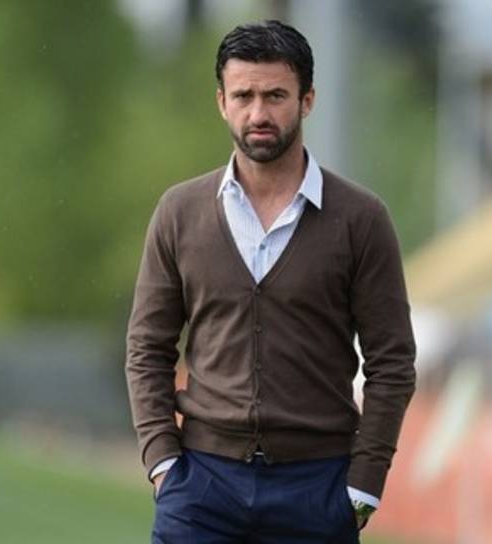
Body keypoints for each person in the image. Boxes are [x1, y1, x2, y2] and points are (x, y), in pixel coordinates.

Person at [125, 20, 416, 543]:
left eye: (275, 96)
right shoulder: (179, 213)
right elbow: (147, 347)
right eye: (244, 96)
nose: (258, 113)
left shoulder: (361, 219)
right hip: (200, 487)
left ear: (307, 100)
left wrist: (364, 486)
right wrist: (163, 462)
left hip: (318, 489)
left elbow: (392, 362)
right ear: (222, 102)